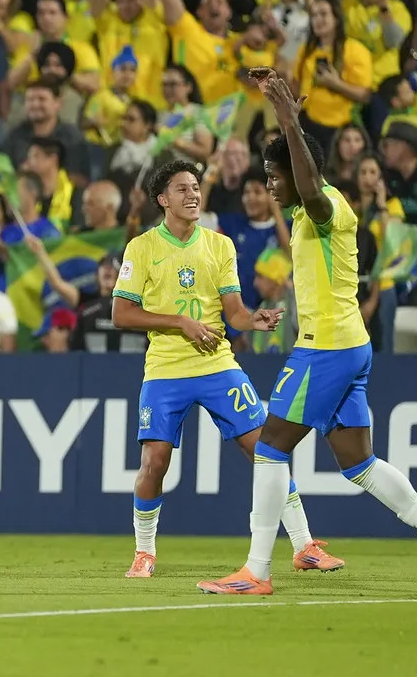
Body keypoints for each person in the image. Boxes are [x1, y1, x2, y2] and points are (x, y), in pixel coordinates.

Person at [198, 70, 417, 597]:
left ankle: (256, 572)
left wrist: (289, 122)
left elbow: (308, 185)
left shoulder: (327, 205)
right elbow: (302, 186)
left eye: (273, 176)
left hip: (326, 346)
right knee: (360, 465)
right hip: (349, 345)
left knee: (270, 450)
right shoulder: (308, 214)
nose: (270, 185)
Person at [110, 158, 344, 578]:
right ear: (163, 200)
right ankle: (144, 552)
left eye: (196, 187)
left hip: (218, 365)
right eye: (182, 189)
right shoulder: (142, 248)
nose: (193, 194)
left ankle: (304, 545)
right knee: (155, 461)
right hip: (165, 368)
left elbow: (232, 312)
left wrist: (252, 319)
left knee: (267, 450)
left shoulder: (219, 245)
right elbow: (122, 314)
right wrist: (180, 322)